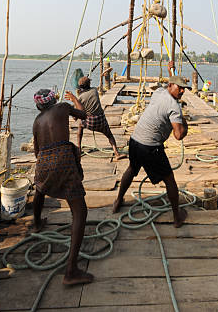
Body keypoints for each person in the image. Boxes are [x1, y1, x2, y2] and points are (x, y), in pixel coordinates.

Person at [32, 88, 93, 286]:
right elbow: (83, 115)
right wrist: (74, 99)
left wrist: (46, 165)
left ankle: (37, 222)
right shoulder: (62, 107)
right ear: (54, 100)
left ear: (38, 106)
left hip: (43, 160)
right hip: (63, 158)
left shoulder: (37, 122)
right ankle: (71, 270)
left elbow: (36, 151)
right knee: (80, 211)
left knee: (40, 188)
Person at [112, 74, 189, 227]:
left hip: (135, 140)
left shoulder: (159, 91)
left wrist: (169, 70)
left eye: (183, 89)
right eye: (179, 88)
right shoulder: (174, 106)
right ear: (170, 86)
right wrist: (185, 126)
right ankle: (177, 218)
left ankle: (118, 200)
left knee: (132, 169)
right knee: (170, 179)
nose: (182, 91)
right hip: (150, 146)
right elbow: (178, 135)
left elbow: (167, 84)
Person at [66, 76, 124, 160]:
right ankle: (116, 153)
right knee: (110, 135)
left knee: (80, 126)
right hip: (101, 120)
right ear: (89, 84)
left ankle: (78, 148)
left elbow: (75, 117)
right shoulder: (94, 90)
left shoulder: (80, 98)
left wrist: (74, 101)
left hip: (90, 122)